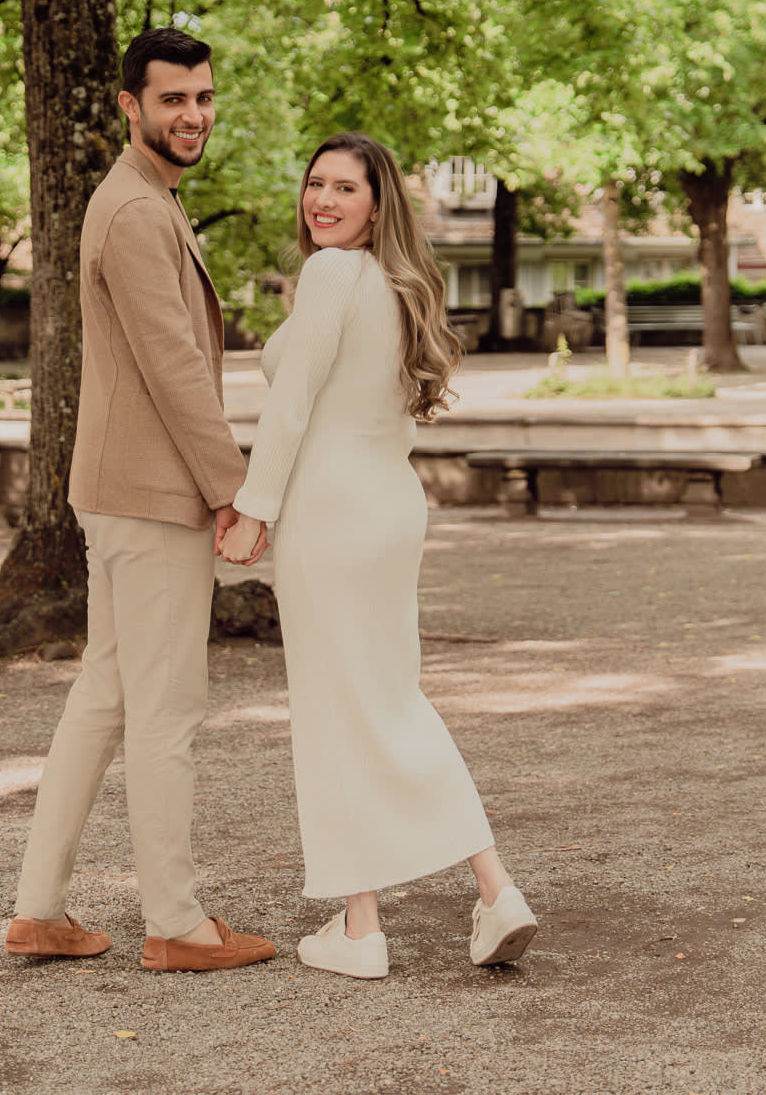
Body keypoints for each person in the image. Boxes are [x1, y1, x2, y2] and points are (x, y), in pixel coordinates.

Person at [217, 132, 538, 979]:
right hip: (390, 507)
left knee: (339, 708)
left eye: (344, 188)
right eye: (315, 182)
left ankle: (375, 928)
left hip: (331, 513)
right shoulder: (400, 286)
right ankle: (470, 895)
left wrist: (254, 509)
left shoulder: (332, 274)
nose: (322, 199)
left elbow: (290, 404)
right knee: (385, 701)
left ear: (377, 203)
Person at [5, 27, 276, 974]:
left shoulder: (144, 200)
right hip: (152, 496)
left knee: (107, 695)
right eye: (172, 100)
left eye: (202, 97)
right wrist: (235, 492)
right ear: (130, 106)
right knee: (168, 710)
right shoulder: (132, 210)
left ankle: (39, 910)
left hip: (123, 490)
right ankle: (177, 923)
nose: (193, 115)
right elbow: (174, 369)